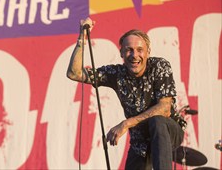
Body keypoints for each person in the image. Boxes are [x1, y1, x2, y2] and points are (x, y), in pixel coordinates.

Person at [66, 17, 185, 170]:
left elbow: (165, 108)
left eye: (140, 50)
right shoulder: (117, 73)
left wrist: (126, 123)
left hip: (168, 132)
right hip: (139, 143)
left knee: (158, 121)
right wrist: (82, 38)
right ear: (121, 53)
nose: (134, 55)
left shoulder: (159, 66)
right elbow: (74, 73)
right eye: (129, 50)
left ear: (148, 52)